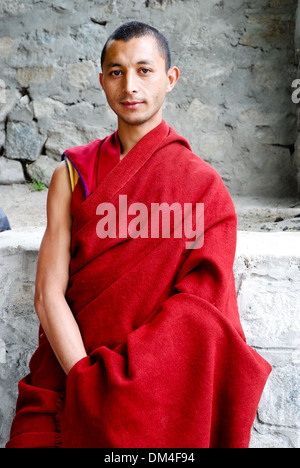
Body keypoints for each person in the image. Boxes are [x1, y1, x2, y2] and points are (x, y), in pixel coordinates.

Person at [6, 21, 271, 449]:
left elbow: (198, 312)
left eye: (145, 71)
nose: (130, 85)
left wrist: (123, 385)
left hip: (154, 386)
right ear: (102, 81)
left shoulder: (203, 187)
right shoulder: (73, 175)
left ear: (171, 79)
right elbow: (47, 294)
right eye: (116, 72)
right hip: (69, 376)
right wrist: (86, 383)